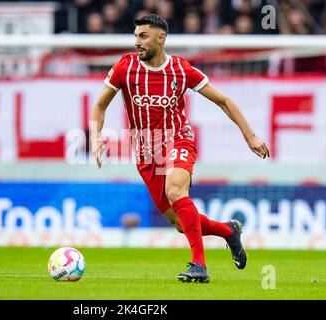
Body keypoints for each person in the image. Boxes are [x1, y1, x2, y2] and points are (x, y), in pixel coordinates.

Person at [90, 14, 270, 283]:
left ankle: (199, 265)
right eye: (136, 36)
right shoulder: (125, 67)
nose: (137, 42)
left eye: (143, 36)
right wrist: (95, 136)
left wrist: (250, 136)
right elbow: (100, 105)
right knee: (179, 223)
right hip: (146, 153)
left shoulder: (181, 70)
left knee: (175, 190)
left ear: (160, 38)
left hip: (178, 140)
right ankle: (228, 231)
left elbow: (223, 100)